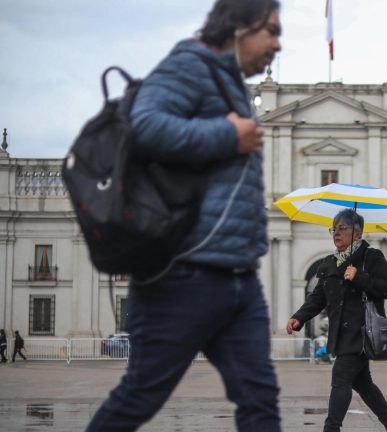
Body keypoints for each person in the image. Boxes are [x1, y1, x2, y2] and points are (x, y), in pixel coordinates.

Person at [86, 1, 282, 430]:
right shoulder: (190, 64)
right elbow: (146, 125)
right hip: (184, 274)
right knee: (140, 394)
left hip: (237, 278)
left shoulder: (232, 86)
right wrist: (227, 134)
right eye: (271, 30)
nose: (277, 44)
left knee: (260, 399)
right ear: (240, 27)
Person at [286, 209, 387, 432]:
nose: (336, 233)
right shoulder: (329, 262)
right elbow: (318, 298)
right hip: (340, 335)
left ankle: (331, 429)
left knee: (340, 380)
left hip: (362, 333)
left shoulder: (371, 257)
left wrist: (360, 277)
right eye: (334, 228)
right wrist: (298, 318)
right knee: (364, 385)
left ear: (358, 233)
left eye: (342, 228)